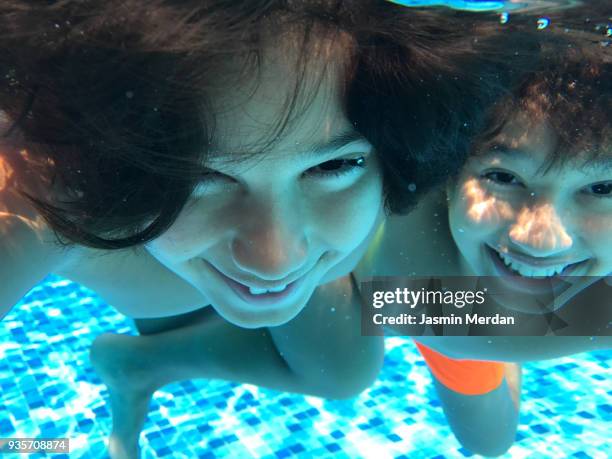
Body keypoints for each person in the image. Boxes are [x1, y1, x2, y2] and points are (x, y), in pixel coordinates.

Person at [0, 1, 533, 458]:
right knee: (349, 371)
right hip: (216, 295)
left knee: (485, 437)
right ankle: (140, 362)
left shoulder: (422, 164)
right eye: (198, 175)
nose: (273, 257)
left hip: (397, 276)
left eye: (332, 166)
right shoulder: (50, 190)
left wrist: (442, 313)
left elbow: (573, 308)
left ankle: (141, 363)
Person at [354, 33, 612, 455]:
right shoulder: (400, 253)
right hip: (443, 290)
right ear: (450, 175)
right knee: (487, 440)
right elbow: (431, 321)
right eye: (504, 178)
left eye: (603, 188)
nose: (540, 239)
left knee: (488, 444)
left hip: (467, 298)